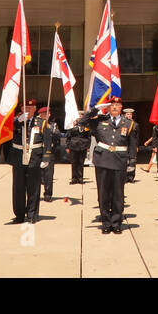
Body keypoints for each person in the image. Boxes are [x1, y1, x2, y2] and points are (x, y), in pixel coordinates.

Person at [78, 97, 136, 234]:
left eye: (117, 105)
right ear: (108, 107)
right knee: (103, 193)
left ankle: (116, 223)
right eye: (112, 105)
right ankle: (105, 222)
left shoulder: (129, 123)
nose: (115, 107)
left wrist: (132, 162)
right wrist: (95, 110)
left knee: (118, 194)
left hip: (119, 161)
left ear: (121, 107)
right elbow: (81, 122)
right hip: (103, 160)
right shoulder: (99, 120)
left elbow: (132, 144)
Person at [9, 99, 54, 225]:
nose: (27, 110)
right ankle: (18, 215)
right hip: (19, 157)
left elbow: (47, 142)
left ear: (35, 109)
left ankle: (32, 214)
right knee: (18, 187)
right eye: (25, 107)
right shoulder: (17, 122)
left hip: (35, 157)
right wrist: (18, 121)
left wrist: (46, 158)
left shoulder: (42, 123)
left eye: (30, 107)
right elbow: (5, 129)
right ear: (21, 109)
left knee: (33, 187)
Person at [38, 106, 59, 201]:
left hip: (49, 152)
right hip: (38, 151)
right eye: (46, 113)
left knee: (48, 174)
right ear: (41, 115)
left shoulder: (52, 125)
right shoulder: (36, 124)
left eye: (49, 113)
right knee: (37, 174)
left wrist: (52, 130)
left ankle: (48, 194)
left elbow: (58, 135)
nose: (48, 115)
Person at [65, 119, 90, 185]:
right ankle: (74, 178)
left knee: (81, 163)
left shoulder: (86, 127)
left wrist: (88, 146)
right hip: (73, 146)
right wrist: (67, 147)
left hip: (83, 146)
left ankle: (80, 178)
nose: (79, 119)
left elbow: (88, 137)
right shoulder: (72, 127)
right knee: (74, 163)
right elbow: (68, 137)